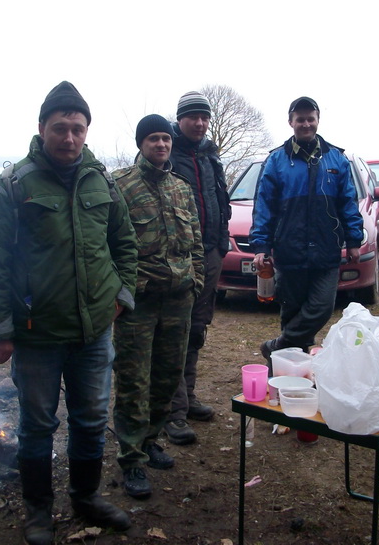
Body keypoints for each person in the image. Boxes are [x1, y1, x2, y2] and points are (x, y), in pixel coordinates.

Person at [0, 81, 138, 544]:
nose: (69, 137)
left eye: (78, 129)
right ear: (41, 127)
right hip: (37, 332)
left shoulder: (103, 181)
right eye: (60, 128)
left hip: (94, 331)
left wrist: (122, 296)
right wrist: (0, 330)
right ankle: (38, 511)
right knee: (38, 424)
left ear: (87, 131)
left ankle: (86, 497)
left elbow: (125, 243)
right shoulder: (12, 185)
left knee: (91, 418)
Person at [111, 114, 204, 498]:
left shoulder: (180, 187)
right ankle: (131, 458)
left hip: (178, 299)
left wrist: (196, 281)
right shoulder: (120, 186)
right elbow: (109, 245)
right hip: (140, 302)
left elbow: (196, 241)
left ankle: (150, 441)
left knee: (167, 377)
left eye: (166, 138)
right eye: (153, 139)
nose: (162, 145)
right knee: (134, 381)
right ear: (141, 144)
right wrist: (122, 292)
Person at [252, 96, 364, 363]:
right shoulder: (276, 160)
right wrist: (261, 246)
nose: (305, 124)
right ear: (290, 122)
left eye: (310, 119)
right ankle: (290, 368)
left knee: (321, 308)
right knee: (292, 311)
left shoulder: (336, 159)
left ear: (317, 120)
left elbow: (348, 203)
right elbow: (264, 205)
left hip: (326, 249)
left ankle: (277, 347)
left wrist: (354, 240)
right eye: (300, 119)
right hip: (289, 249)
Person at [164, 91, 230, 446]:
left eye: (205, 117)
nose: (200, 123)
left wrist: (221, 244)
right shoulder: (165, 150)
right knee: (175, 332)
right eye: (193, 117)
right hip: (179, 258)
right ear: (180, 119)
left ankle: (187, 397)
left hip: (211, 252)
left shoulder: (210, 154)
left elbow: (220, 200)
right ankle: (172, 411)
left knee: (197, 330)